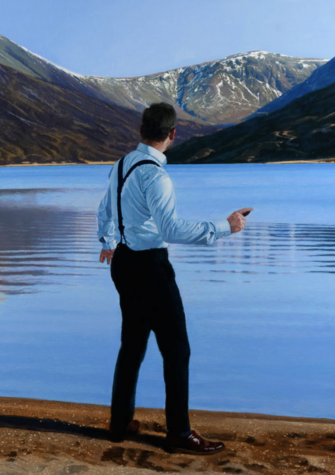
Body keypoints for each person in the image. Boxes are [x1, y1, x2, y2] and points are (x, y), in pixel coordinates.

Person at [96, 102, 252, 455]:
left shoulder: (120, 165)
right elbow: (171, 228)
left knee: (132, 345)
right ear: (172, 135)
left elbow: (104, 208)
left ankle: (119, 424)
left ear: (140, 130)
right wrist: (224, 227)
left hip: (123, 264)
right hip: (150, 267)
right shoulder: (156, 175)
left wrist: (108, 242)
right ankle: (179, 433)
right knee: (177, 350)